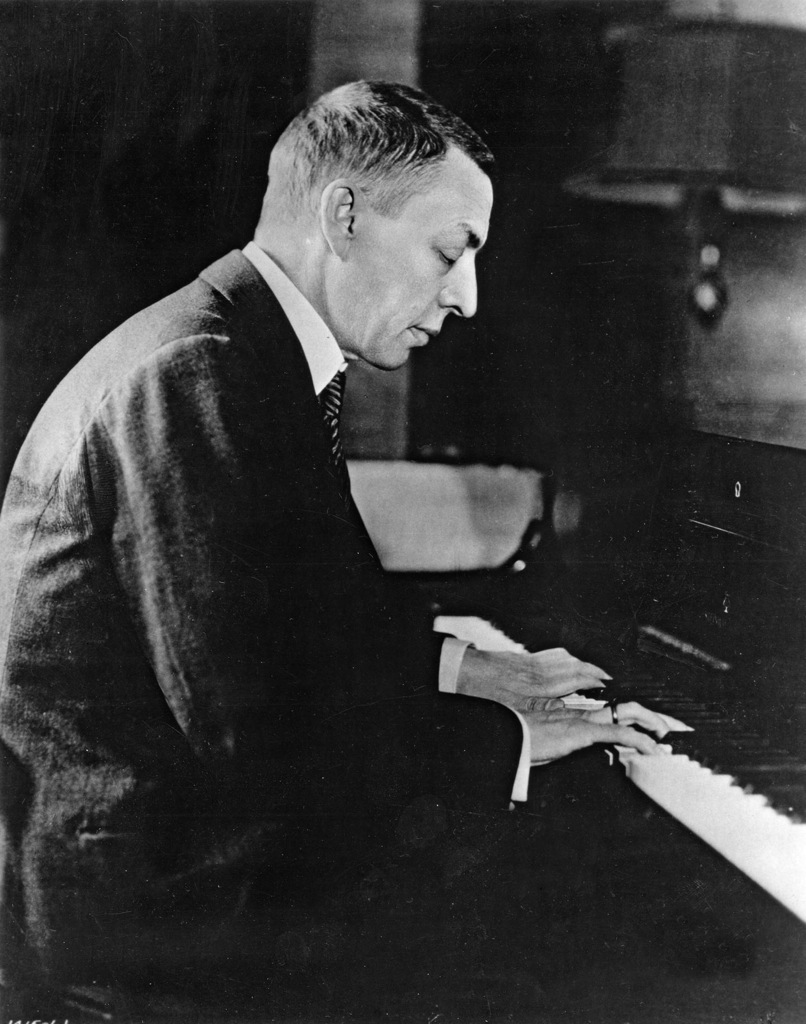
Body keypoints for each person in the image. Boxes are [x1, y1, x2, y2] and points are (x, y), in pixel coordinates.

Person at [0, 80, 674, 1019]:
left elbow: (294, 629)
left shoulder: (240, 349)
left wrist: (461, 668)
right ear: (343, 215)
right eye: (451, 250)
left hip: (168, 876)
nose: (467, 298)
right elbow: (257, 731)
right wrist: (510, 739)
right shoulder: (197, 372)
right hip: (141, 941)